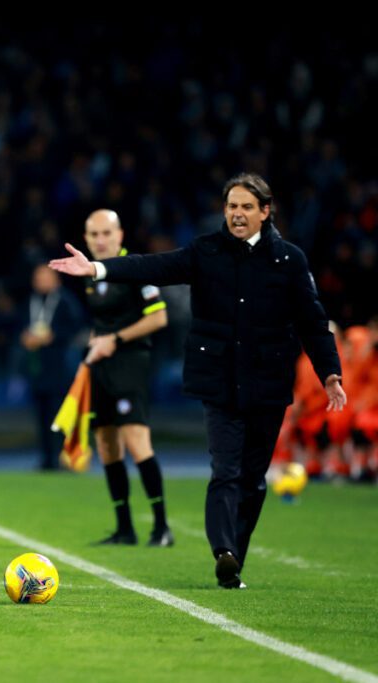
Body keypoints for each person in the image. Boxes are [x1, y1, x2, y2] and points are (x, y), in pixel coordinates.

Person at [50, 174, 346, 588]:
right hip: (219, 381)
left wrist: (330, 372)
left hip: (267, 381)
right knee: (225, 469)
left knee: (253, 480)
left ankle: (235, 556)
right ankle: (223, 552)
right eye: (231, 206)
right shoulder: (206, 251)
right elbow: (154, 265)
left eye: (246, 207)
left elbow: (313, 323)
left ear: (265, 211)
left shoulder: (289, 260)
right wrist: (98, 267)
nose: (237, 214)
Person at [80, 210, 173, 547]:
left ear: (120, 235)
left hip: (130, 363)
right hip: (101, 365)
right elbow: (102, 321)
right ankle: (124, 528)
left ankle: (161, 527)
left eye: (107, 233)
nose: (101, 240)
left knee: (136, 440)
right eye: (94, 234)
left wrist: (114, 340)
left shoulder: (135, 270)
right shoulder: (89, 274)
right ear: (87, 238)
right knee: (106, 445)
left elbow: (159, 318)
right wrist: (95, 343)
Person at [20, 265, 85, 470]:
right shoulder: (30, 300)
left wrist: (53, 336)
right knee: (41, 414)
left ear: (56, 279)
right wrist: (25, 337)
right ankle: (47, 458)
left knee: (59, 413)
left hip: (60, 366)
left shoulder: (65, 300)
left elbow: (77, 327)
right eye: (37, 277)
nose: (40, 281)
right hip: (37, 367)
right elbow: (19, 324)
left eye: (45, 277)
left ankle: (63, 457)